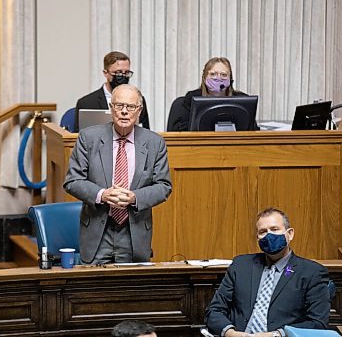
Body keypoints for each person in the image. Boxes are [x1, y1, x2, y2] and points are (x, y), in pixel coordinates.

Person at [63, 84, 172, 264]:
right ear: (111, 108)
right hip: (98, 231)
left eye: (130, 107)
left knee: (131, 290)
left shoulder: (155, 142)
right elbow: (72, 180)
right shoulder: (88, 138)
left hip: (134, 232)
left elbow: (164, 186)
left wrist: (134, 197)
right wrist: (102, 195)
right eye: (119, 106)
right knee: (91, 289)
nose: (124, 112)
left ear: (139, 111)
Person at [205, 207, 330, 337]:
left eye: (275, 229)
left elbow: (318, 322)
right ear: (257, 238)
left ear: (290, 233)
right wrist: (230, 333)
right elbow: (214, 311)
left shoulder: (312, 272)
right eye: (263, 232)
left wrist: (278, 334)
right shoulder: (241, 265)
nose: (269, 235)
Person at [74, 51, 150, 132]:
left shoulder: (138, 100)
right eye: (118, 72)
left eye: (127, 73)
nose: (123, 76)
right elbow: (78, 137)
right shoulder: (86, 103)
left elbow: (145, 133)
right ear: (105, 73)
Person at [169, 56, 247, 131]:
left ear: (230, 79)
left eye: (223, 75)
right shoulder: (189, 102)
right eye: (213, 74)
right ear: (204, 78)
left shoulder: (242, 101)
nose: (218, 78)